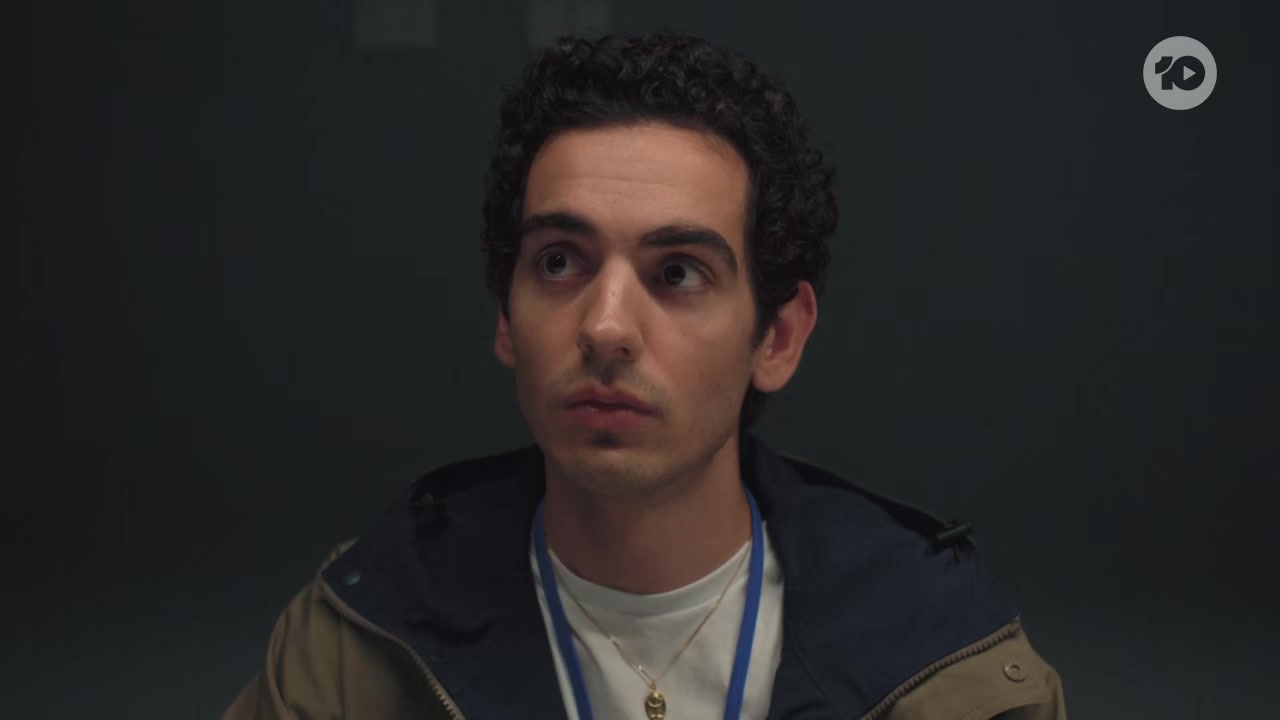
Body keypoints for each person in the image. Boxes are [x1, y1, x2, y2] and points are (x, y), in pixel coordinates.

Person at [224, 29, 1066, 720]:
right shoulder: (361, 641)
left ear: (777, 337)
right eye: (560, 261)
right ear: (507, 318)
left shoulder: (939, 661)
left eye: (678, 273)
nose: (605, 327)